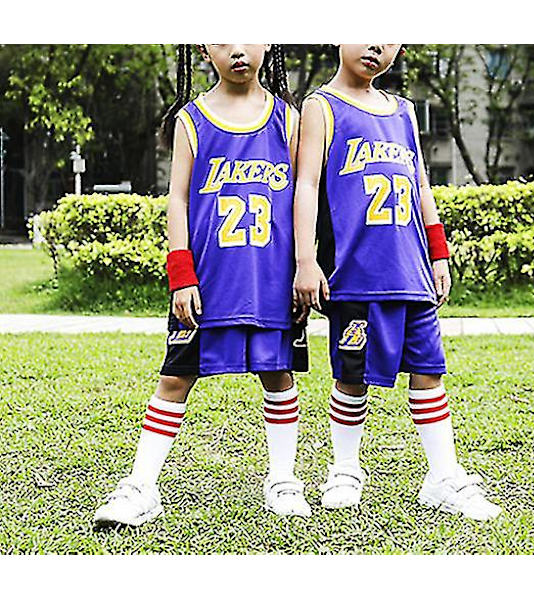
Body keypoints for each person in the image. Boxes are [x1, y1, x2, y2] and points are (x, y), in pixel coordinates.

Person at [94, 44, 310, 527]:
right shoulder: (192, 119)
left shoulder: (288, 120)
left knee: (278, 374)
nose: (237, 47)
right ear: (202, 48)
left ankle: (283, 480)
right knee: (175, 378)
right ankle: (141, 487)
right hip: (208, 282)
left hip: (271, 281)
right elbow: (177, 199)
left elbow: (305, 196)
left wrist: (304, 264)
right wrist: (181, 275)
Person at [293, 44, 501, 520]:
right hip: (355, 274)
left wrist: (438, 253)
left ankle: (443, 475)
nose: (375, 44)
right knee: (351, 376)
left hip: (411, 271)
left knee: (429, 371)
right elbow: (306, 185)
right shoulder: (321, 106)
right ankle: (345, 469)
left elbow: (421, 186)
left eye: (389, 37)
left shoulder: (405, 111)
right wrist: (305, 259)